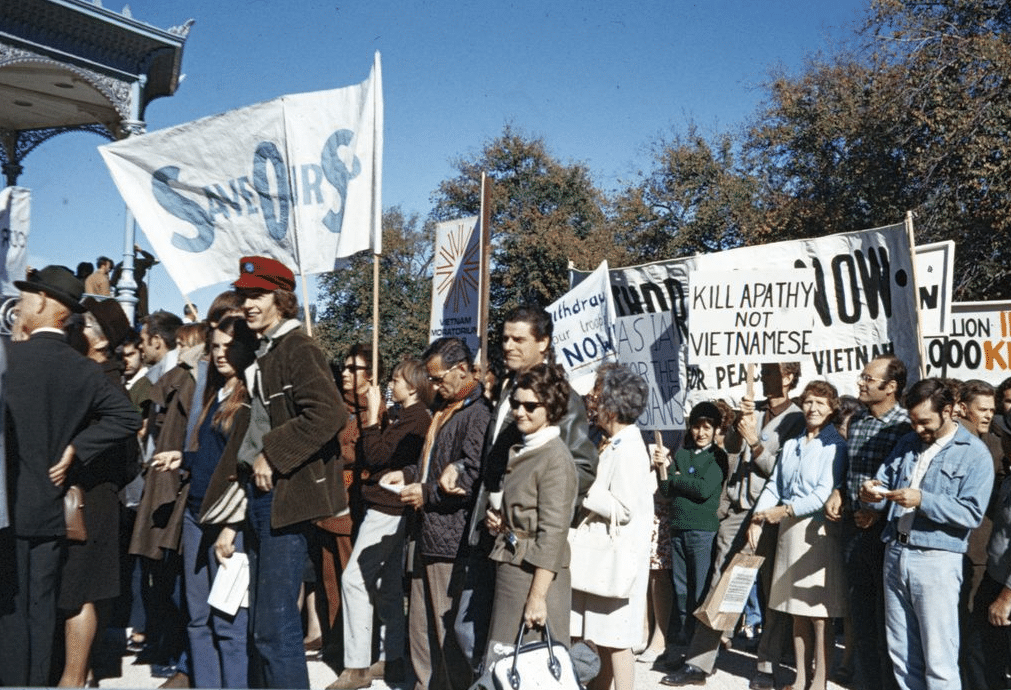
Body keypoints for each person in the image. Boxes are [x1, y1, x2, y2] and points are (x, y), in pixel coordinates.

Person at [0, 265, 140, 686]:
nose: (18, 305)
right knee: (42, 611)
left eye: (24, 297)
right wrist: (78, 447)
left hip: (6, 506)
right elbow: (127, 417)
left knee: (8, 614)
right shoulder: (84, 370)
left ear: (42, 302)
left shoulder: (8, 357)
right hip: (47, 506)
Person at [443, 305, 599, 671]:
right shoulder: (509, 389)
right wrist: (461, 464)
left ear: (543, 343)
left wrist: (526, 516)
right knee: (474, 633)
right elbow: (499, 454)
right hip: (489, 532)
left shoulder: (562, 399)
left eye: (519, 339)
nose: (508, 346)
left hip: (525, 545)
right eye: (505, 338)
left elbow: (580, 468)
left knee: (518, 650)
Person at [234, 256, 348, 689]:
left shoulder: (298, 348)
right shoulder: (268, 350)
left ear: (282, 299)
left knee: (276, 626)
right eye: (244, 295)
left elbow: (329, 413)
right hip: (266, 499)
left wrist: (273, 456)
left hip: (286, 498)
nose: (248, 304)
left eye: (257, 295)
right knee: (266, 625)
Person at [662, 362, 805, 689]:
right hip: (740, 511)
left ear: (789, 376)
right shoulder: (750, 410)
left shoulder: (796, 419)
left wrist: (756, 442)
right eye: (762, 371)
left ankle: (766, 667)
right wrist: (739, 432)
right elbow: (731, 459)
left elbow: (782, 471)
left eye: (771, 372)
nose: (764, 377)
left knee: (771, 591)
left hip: (771, 512)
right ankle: (699, 664)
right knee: (722, 585)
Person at [860, 377, 995, 690]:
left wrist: (923, 500)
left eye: (925, 422)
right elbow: (882, 481)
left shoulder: (974, 454)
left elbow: (971, 513)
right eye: (913, 421)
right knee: (902, 653)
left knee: (939, 658)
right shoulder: (907, 443)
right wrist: (870, 491)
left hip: (937, 560)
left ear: (949, 411)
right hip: (895, 552)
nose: (918, 429)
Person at [154, 316, 257, 688]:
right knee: (198, 619)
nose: (219, 354)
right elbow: (213, 458)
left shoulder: (250, 401)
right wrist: (182, 458)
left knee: (228, 622)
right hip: (196, 516)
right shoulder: (217, 393)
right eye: (214, 347)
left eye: (229, 347)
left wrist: (232, 527)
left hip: (226, 522)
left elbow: (244, 470)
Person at [386, 336, 491, 690]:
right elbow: (432, 466)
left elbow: (471, 477)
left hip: (450, 540)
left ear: (462, 371)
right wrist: (410, 475)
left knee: (446, 634)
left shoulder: (478, 414)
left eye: (437, 378)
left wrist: (427, 493)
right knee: (419, 627)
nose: (433, 385)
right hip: (425, 532)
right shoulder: (444, 411)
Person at [329, 358, 432, 689]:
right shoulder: (408, 416)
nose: (392, 384)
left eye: (398, 380)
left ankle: (357, 666)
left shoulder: (415, 421)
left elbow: (376, 456)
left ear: (413, 386)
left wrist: (372, 419)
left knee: (354, 580)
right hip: (384, 507)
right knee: (386, 585)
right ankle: (392, 658)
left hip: (388, 509)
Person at [55, 297, 135, 687]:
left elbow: (125, 445)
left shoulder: (104, 380)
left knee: (79, 592)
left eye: (81, 324)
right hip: (92, 496)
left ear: (100, 339)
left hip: (90, 500)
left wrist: (77, 455)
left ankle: (72, 680)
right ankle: (80, 672)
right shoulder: (99, 374)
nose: (72, 328)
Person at [747, 381, 847, 690]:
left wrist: (784, 511)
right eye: (808, 402)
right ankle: (800, 678)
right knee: (796, 612)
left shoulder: (835, 445)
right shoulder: (792, 443)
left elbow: (821, 495)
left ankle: (820, 681)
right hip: (788, 533)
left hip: (817, 534)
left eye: (820, 403)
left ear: (832, 409)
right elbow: (775, 484)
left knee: (819, 613)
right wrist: (758, 518)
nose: (813, 408)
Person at [823, 355, 910, 690]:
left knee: (887, 621)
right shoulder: (857, 421)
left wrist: (879, 513)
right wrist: (839, 492)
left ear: (891, 388)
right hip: (853, 531)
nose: (860, 382)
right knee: (860, 618)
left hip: (886, 534)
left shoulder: (905, 426)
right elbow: (852, 473)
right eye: (862, 376)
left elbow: (908, 480)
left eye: (869, 379)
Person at [483, 363, 578, 666]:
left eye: (530, 405)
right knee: (505, 666)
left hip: (536, 578)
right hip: (513, 565)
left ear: (550, 407)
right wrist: (502, 522)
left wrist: (537, 597)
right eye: (515, 403)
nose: (519, 412)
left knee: (532, 670)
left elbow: (553, 535)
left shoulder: (555, 459)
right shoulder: (524, 448)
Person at [571, 364, 653, 690]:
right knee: (603, 637)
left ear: (612, 404)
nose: (592, 402)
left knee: (618, 639)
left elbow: (624, 509)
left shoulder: (629, 447)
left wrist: (584, 488)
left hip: (618, 559)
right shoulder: (615, 442)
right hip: (608, 557)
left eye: (598, 396)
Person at [656, 401, 726, 646]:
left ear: (716, 429)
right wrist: (663, 468)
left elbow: (704, 489)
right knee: (681, 585)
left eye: (707, 427)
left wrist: (679, 479)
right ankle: (684, 633)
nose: (701, 432)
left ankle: (700, 637)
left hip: (702, 529)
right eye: (697, 426)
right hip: (678, 527)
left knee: (700, 586)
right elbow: (665, 488)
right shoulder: (683, 453)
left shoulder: (718, 457)